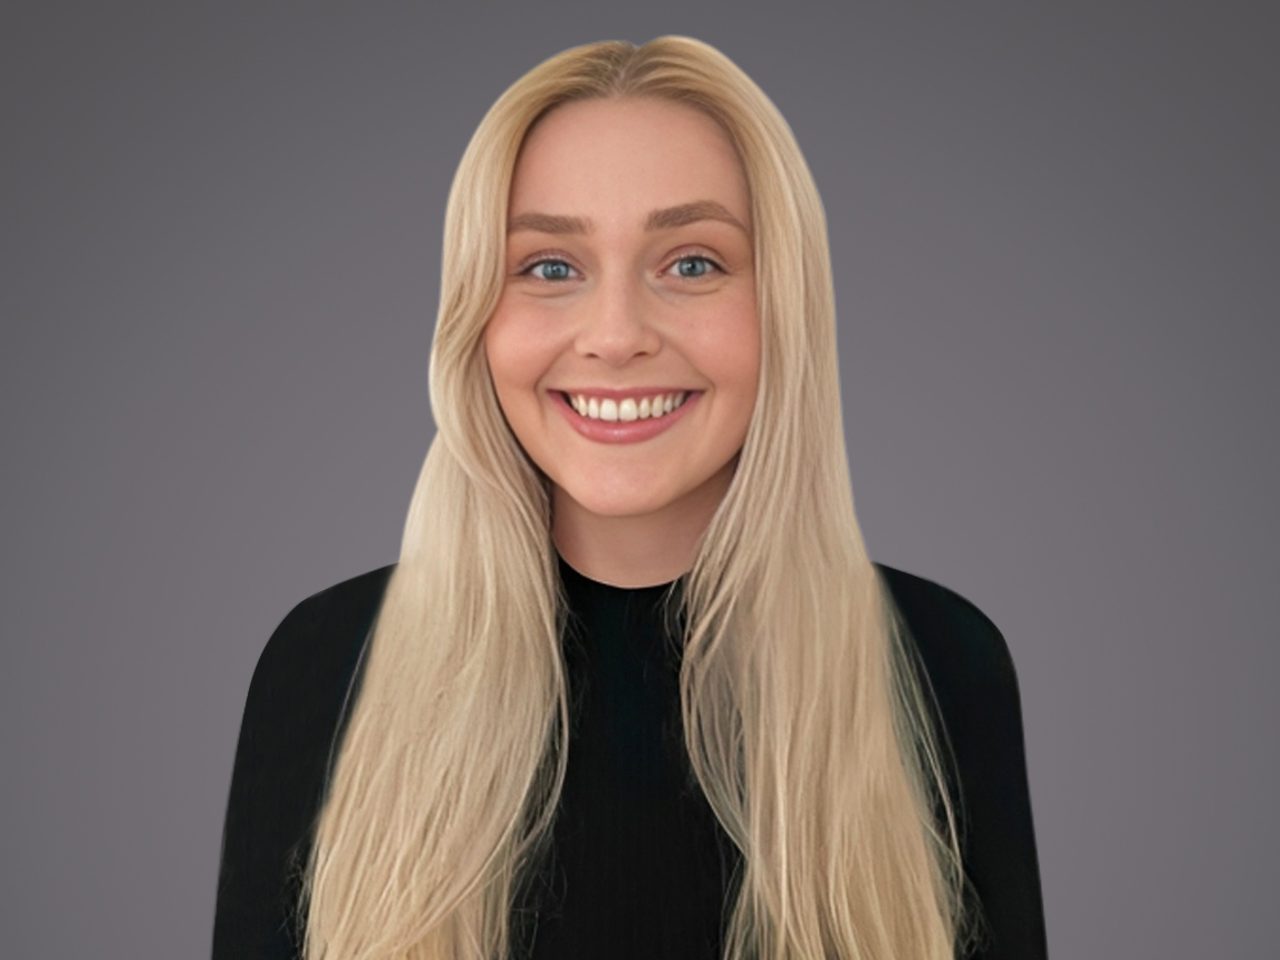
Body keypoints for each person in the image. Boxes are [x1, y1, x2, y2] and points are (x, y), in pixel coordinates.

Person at [212, 35, 1048, 960]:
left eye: (692, 263)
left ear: (785, 307)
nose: (615, 336)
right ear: (476, 316)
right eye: (550, 267)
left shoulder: (942, 665)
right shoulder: (326, 666)